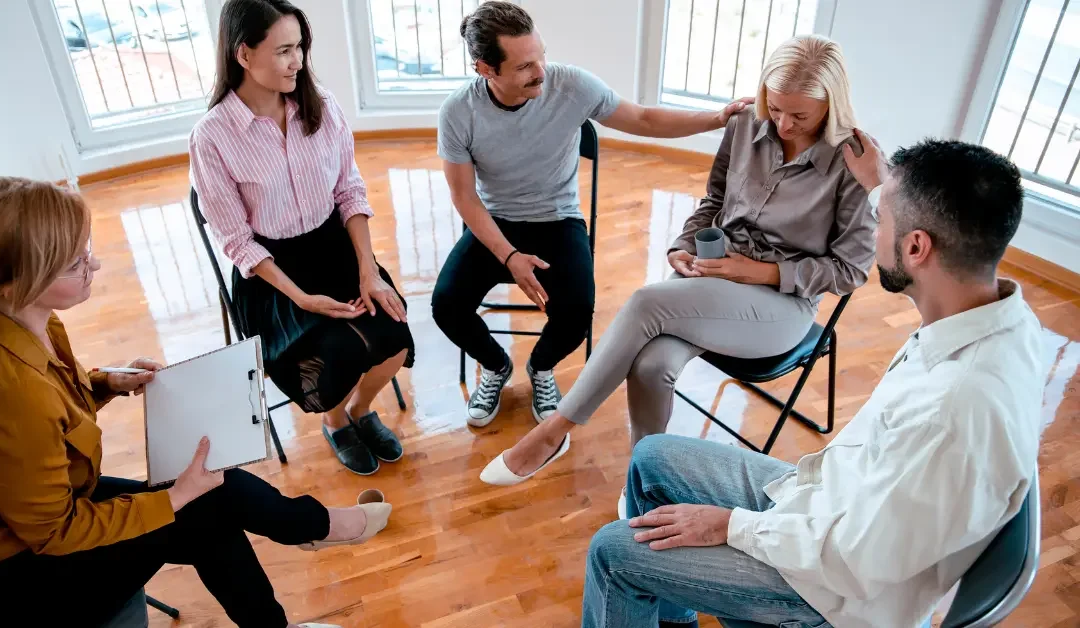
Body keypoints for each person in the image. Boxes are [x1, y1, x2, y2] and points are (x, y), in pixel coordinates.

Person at [579, 136, 1046, 628]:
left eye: (879, 218)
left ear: (915, 247)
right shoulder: (1002, 315)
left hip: (830, 589)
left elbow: (857, 560)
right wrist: (877, 184)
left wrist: (730, 526)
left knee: (614, 553)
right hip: (825, 507)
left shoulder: (954, 410)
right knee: (652, 459)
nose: (872, 230)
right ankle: (674, 616)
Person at [0, 177, 389, 628]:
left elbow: (48, 410)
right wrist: (174, 497)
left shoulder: (12, 316)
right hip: (12, 580)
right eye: (76, 263)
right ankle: (317, 527)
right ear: (14, 282)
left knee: (210, 505)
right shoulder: (2, 390)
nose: (93, 267)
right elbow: (53, 531)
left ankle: (307, 536)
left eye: (87, 252)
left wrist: (105, 383)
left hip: (40, 511)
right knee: (203, 504)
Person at [480, 35, 877, 491]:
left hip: (781, 305)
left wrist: (761, 272)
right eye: (776, 106)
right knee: (651, 366)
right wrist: (680, 247)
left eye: (800, 115)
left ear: (832, 103)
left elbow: (851, 271)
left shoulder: (855, 161)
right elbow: (714, 201)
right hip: (712, 274)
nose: (783, 123)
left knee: (647, 301)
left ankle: (551, 434)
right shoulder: (748, 122)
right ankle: (647, 477)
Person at [432, 1, 753, 427]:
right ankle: (496, 366)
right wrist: (509, 255)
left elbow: (643, 119)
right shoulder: (458, 112)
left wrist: (715, 118)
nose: (541, 71)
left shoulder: (570, 85)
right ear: (486, 70)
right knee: (446, 306)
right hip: (497, 222)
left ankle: (540, 367)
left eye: (541, 55)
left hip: (557, 219)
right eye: (525, 65)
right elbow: (464, 198)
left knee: (577, 312)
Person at [190, 0, 413, 476]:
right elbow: (237, 241)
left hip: (335, 248)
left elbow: (349, 191)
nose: (298, 62)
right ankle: (335, 422)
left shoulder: (323, 107)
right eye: (285, 50)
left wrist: (369, 271)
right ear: (243, 55)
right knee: (339, 351)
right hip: (274, 275)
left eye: (301, 48)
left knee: (394, 331)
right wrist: (301, 298)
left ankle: (360, 410)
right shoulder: (212, 137)